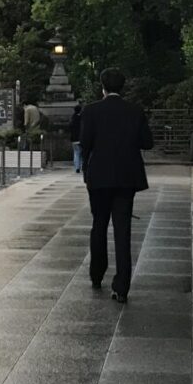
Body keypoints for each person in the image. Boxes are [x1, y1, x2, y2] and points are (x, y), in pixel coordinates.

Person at [79, 68, 153, 303]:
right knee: (123, 229)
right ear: (123, 87)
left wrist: (87, 168)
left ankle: (96, 272)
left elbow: (85, 143)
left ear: (103, 86)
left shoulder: (91, 111)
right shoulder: (135, 111)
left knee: (98, 225)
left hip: (99, 175)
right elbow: (147, 142)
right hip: (126, 176)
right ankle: (122, 285)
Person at [69, 102, 84, 173]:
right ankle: (81, 166)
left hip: (74, 139)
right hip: (81, 138)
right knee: (81, 153)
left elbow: (70, 128)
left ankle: (77, 167)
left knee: (76, 153)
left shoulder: (72, 118)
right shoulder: (82, 118)